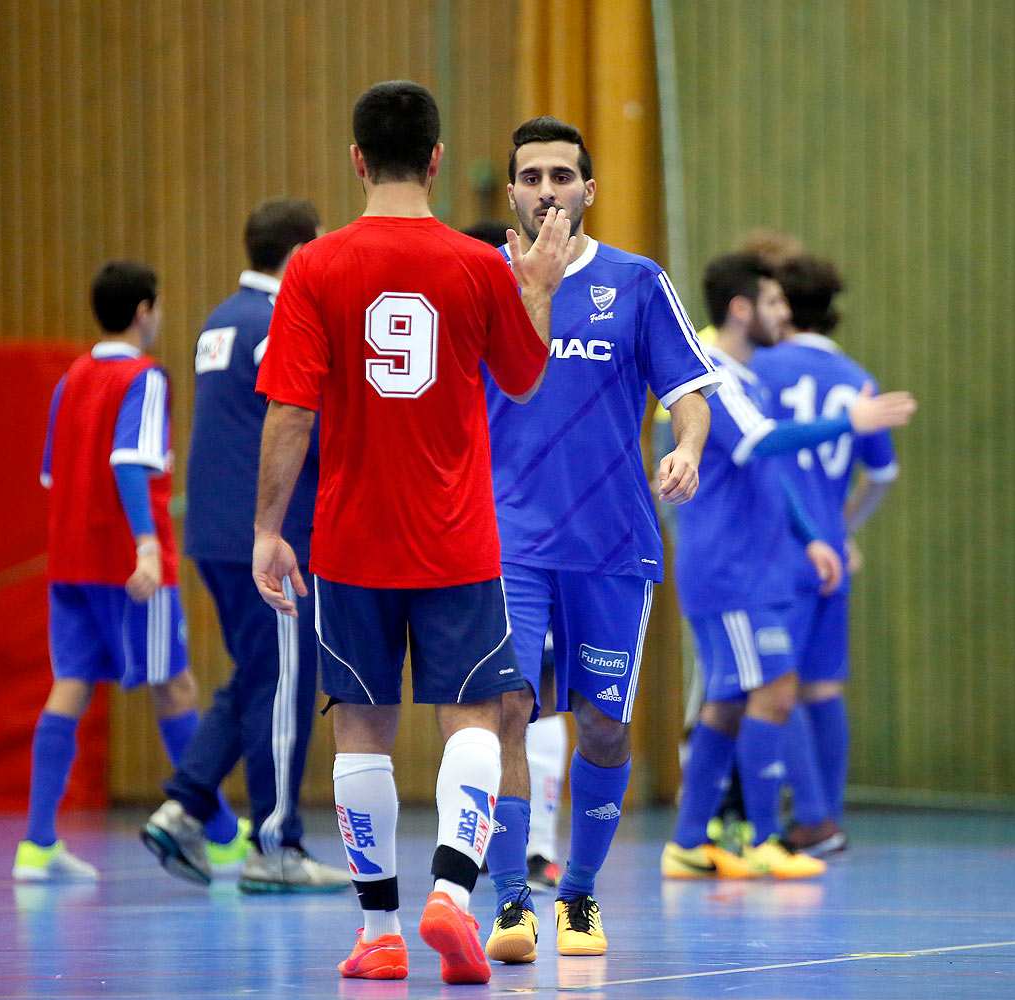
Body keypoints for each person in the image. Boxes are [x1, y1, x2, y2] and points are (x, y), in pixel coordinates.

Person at [250, 81, 574, 985]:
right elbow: (523, 380)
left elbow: (289, 409)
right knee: (473, 717)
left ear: (357, 159)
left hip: (350, 542)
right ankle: (455, 898)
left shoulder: (313, 267)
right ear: (437, 160)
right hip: (457, 541)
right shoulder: (476, 265)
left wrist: (269, 527)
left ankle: (381, 932)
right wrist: (537, 290)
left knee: (361, 727)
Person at [479, 116, 721, 965]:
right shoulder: (484, 284)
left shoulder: (639, 281)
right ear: (511, 191)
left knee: (604, 729)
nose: (547, 189)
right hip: (506, 540)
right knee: (507, 712)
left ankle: (576, 894)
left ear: (589, 189)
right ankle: (511, 898)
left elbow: (690, 388)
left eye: (562, 175)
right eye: (531, 175)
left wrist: (687, 446)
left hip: (613, 543)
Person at [661, 252, 914, 881]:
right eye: (774, 304)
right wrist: (846, 420)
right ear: (744, 310)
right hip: (729, 569)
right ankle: (765, 837)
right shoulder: (711, 374)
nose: (785, 315)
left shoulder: (750, 380)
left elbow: (771, 471)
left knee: (725, 702)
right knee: (774, 689)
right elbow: (761, 443)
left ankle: (691, 841)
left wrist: (811, 538)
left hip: (751, 567)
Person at [140, 198, 350, 894]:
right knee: (284, 684)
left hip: (212, 533)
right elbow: (300, 422)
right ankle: (277, 845)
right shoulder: (280, 322)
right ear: (299, 253)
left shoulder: (220, 320)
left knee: (259, 674)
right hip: (270, 537)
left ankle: (184, 806)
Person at [16, 260, 240, 881]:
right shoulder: (145, 378)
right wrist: (144, 545)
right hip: (129, 563)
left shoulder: (71, 378)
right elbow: (130, 462)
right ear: (145, 310)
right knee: (175, 686)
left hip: (70, 559)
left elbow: (51, 475)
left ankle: (36, 843)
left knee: (72, 683)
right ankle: (218, 829)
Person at [750, 254, 899, 856]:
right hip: (831, 553)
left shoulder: (759, 367)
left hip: (774, 547)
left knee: (770, 683)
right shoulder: (860, 379)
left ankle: (810, 817)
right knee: (821, 687)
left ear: (781, 305)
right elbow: (884, 473)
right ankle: (826, 819)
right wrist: (842, 525)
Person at [461, 217, 568, 896]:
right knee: (506, 706)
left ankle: (533, 847)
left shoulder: (545, 326)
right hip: (492, 540)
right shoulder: (485, 337)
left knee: (529, 702)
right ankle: (497, 853)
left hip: (541, 536)